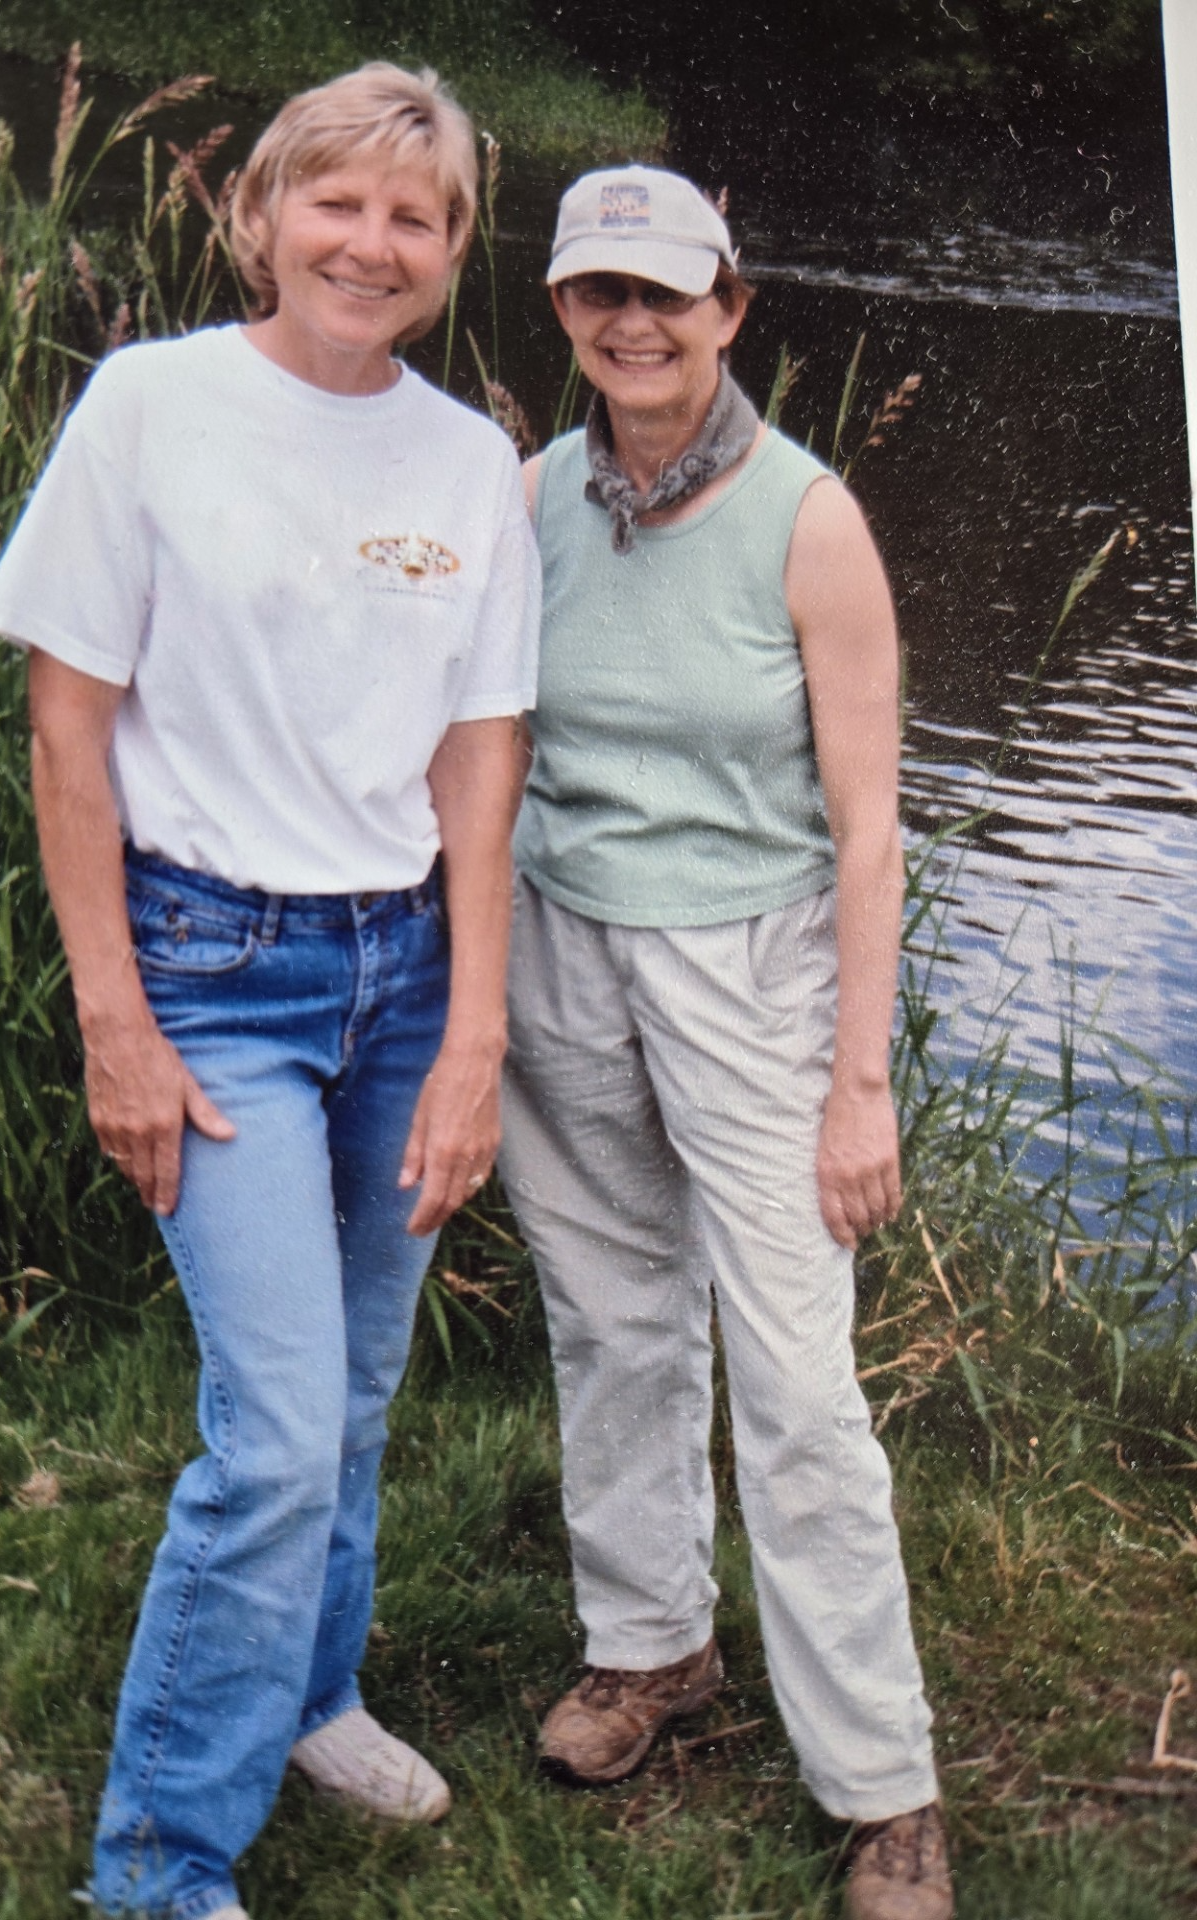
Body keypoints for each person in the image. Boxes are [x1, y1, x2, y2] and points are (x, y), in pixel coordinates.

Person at [0, 64, 540, 1920]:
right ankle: (156, 1865)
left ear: (453, 253)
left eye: (417, 216)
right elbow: (70, 729)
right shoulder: (151, 405)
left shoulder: (468, 461)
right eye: (339, 203)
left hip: (406, 975)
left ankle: (310, 1694)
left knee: (355, 1396)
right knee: (279, 1428)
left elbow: (480, 753)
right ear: (264, 212)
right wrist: (111, 1017)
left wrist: (475, 1035)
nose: (371, 245)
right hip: (209, 965)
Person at [498, 165, 952, 1920]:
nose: (635, 323)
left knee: (796, 1382)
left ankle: (884, 1781)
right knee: (613, 1322)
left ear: (732, 307)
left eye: (667, 294)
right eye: (600, 291)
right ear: (560, 310)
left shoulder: (806, 515)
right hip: (560, 951)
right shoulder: (530, 494)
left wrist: (860, 1077)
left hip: (752, 973)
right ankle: (651, 1649)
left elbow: (866, 827)